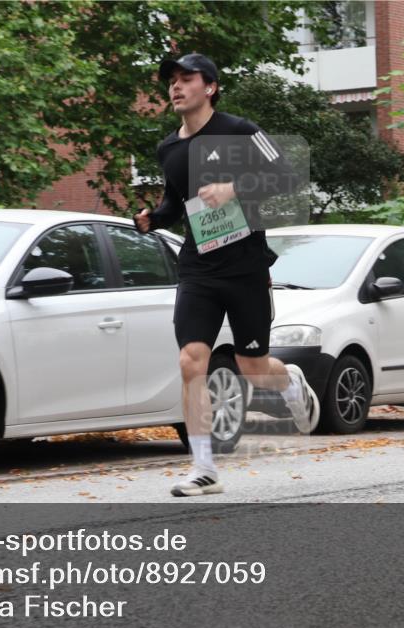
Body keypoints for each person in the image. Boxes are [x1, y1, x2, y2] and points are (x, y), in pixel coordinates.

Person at [133, 53, 319, 497]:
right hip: (198, 267)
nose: (175, 87)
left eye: (186, 79)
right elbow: (176, 205)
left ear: (210, 87)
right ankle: (204, 468)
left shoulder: (241, 132)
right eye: (171, 81)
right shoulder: (169, 147)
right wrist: (153, 219)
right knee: (190, 361)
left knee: (252, 367)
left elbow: (289, 176)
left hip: (245, 267)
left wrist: (232, 189)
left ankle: (290, 380)